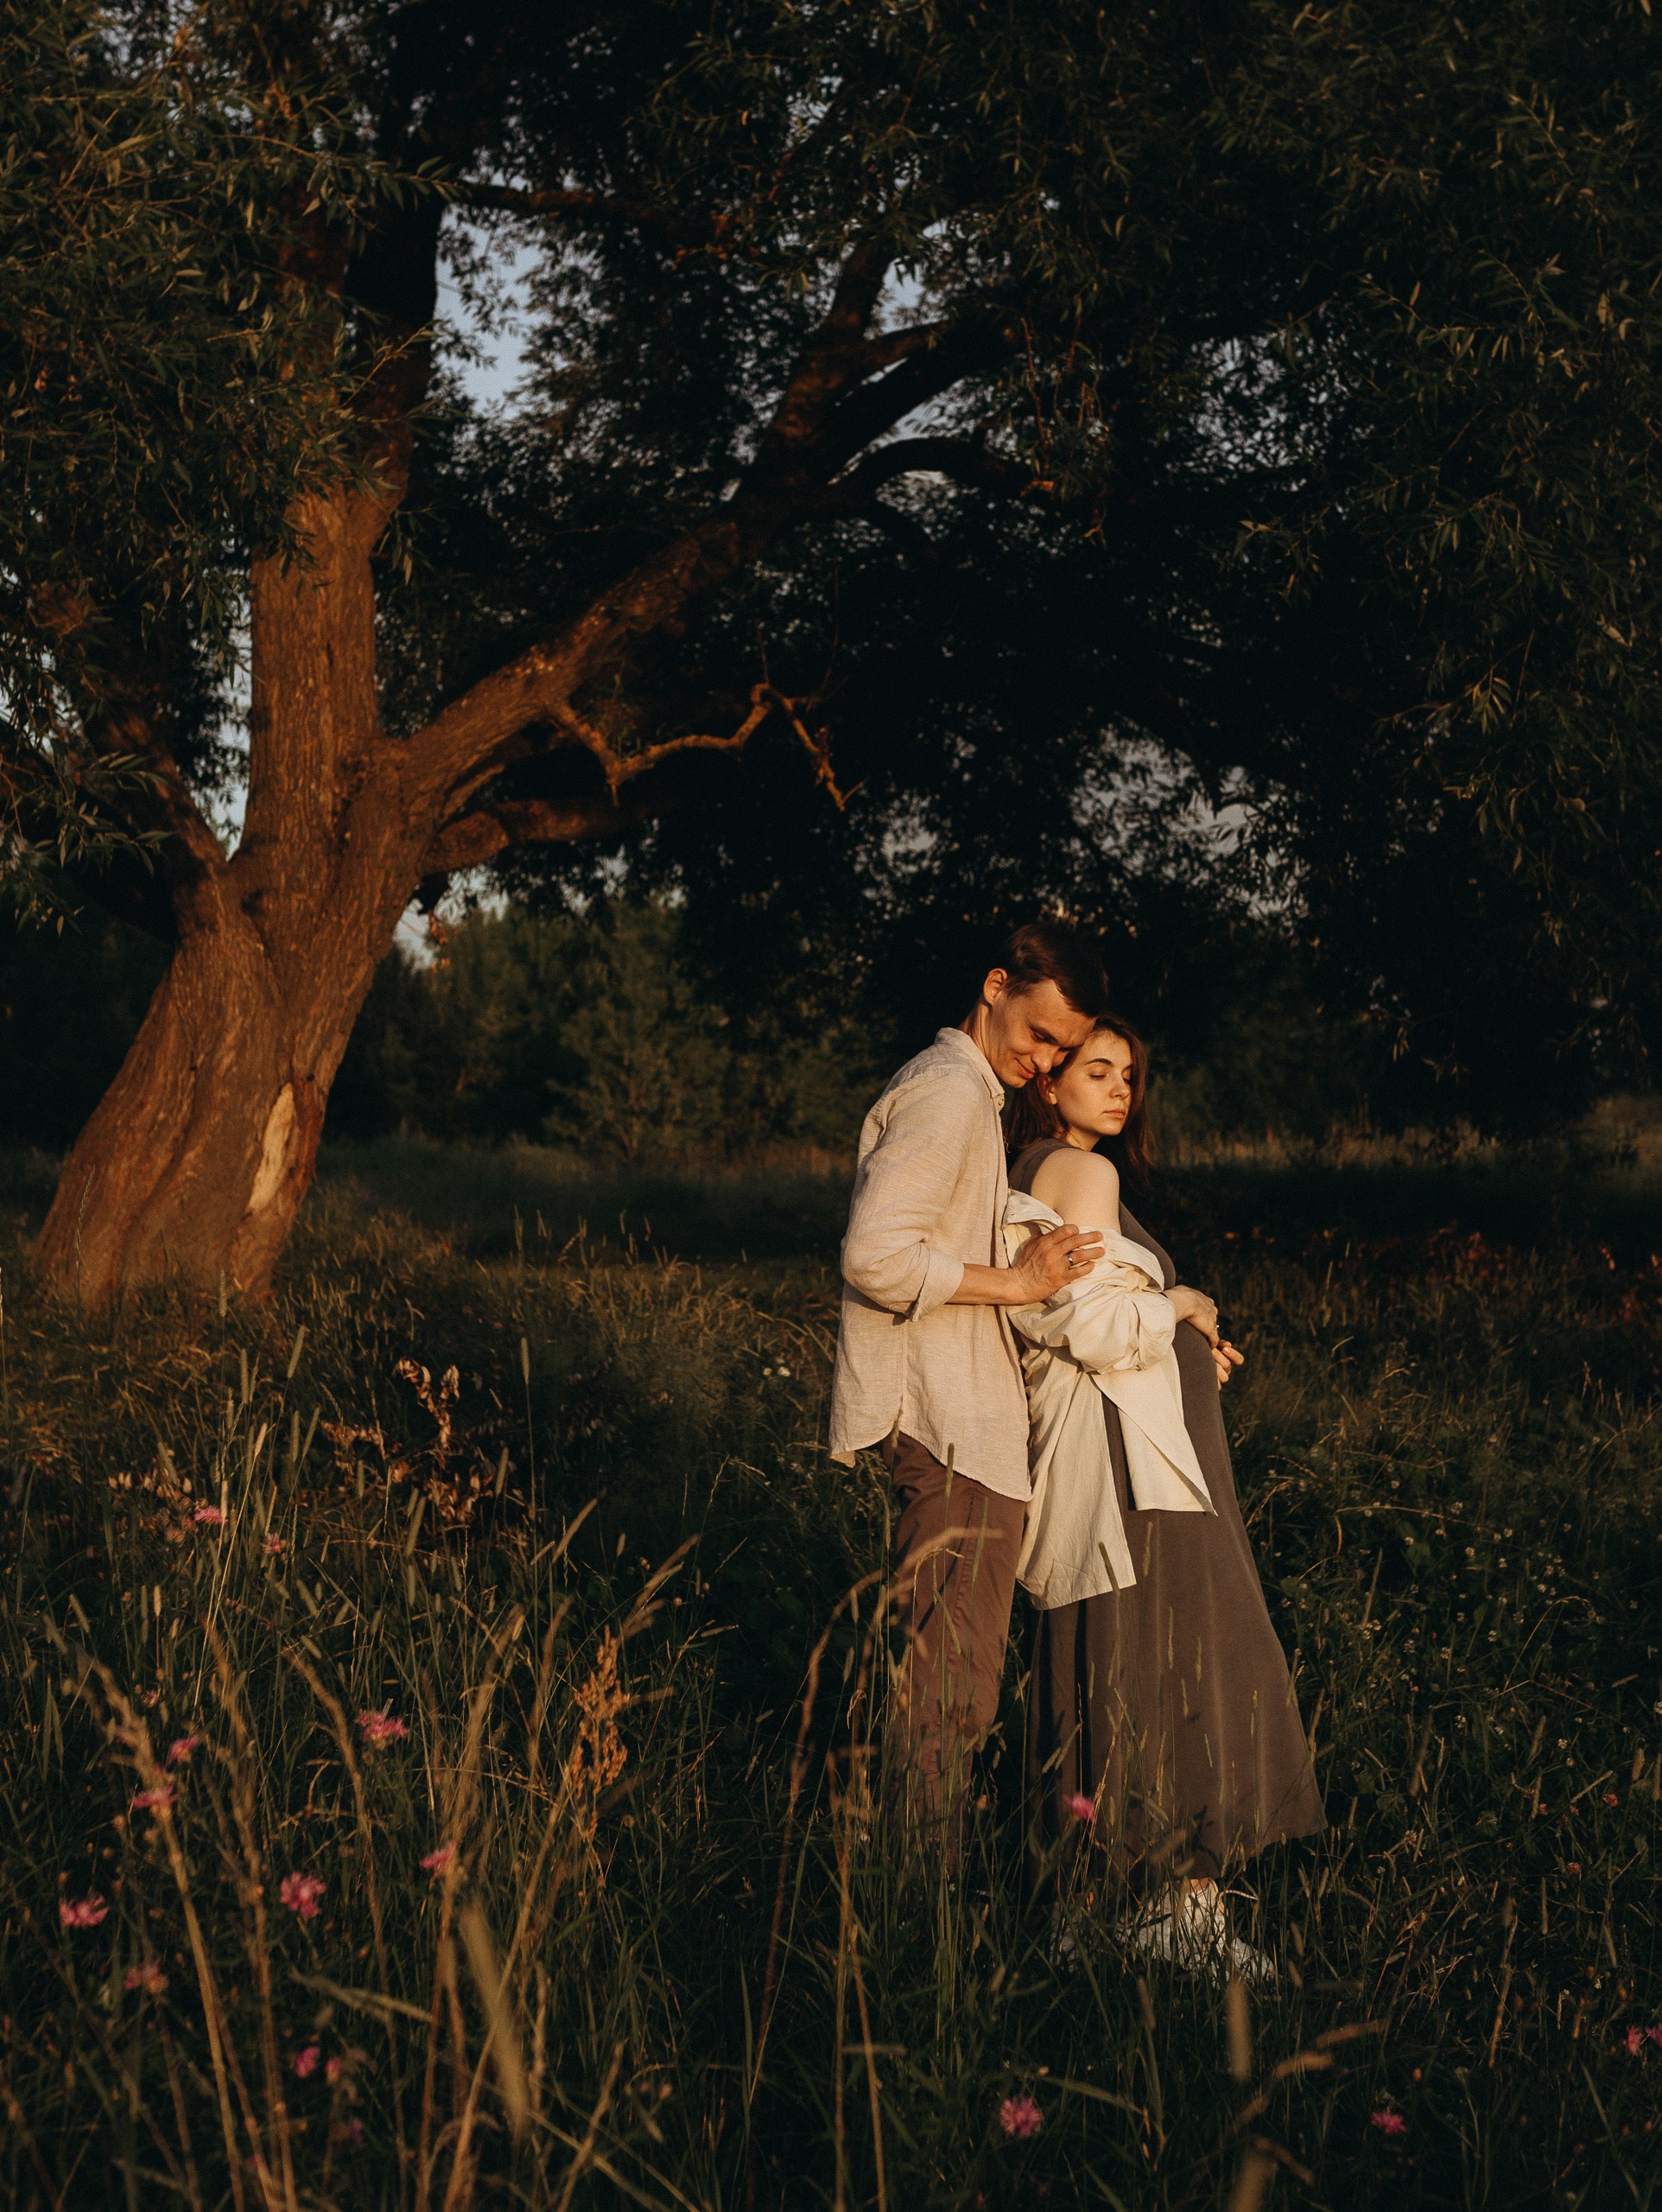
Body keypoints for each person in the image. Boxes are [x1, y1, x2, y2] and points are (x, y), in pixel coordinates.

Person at [1004, 1014, 1324, 1974]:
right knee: (1179, 1650)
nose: (1119, 1089)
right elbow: (1089, 1324)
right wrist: (1181, 1308)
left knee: (1121, 1653)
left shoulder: (1037, 1167)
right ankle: (1181, 1904)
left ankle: (1094, 1904)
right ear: (1050, 1075)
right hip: (1135, 1466)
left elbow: (1091, 1315)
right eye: (1096, 1069)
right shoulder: (1075, 1168)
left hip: (1133, 1452)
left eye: (1131, 1075)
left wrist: (1186, 1348)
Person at [829, 920, 1109, 1850]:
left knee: (956, 1683)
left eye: (1064, 1051)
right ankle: (914, 1920)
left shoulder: (969, 1096)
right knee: (949, 1691)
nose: (1046, 1061)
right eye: (1040, 1036)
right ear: (994, 985)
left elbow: (932, 1246)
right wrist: (1018, 1282)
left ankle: (917, 1900)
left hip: (971, 1430)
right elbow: (874, 1254)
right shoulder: (949, 1092)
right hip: (949, 1433)